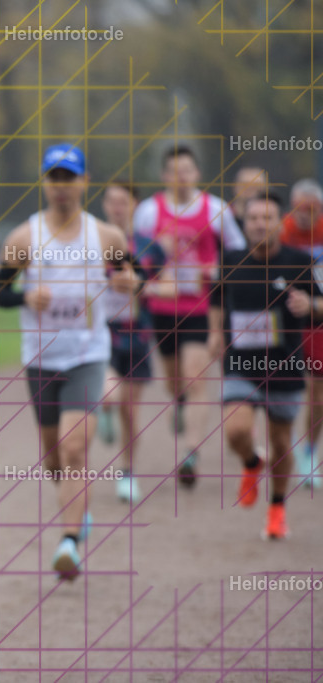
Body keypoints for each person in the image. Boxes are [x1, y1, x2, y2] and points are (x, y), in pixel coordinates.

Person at [0, 144, 134, 579]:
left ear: (84, 182)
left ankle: (69, 542)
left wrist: (131, 280)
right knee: (54, 458)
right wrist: (25, 295)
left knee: (75, 448)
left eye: (69, 177)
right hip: (41, 360)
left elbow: (133, 274)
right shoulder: (24, 238)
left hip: (88, 356)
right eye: (54, 177)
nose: (62, 186)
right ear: (45, 182)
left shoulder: (105, 237)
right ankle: (77, 509)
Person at [209, 192, 321, 540]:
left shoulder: (298, 262)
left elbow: (320, 302)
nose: (260, 223)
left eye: (267, 217)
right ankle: (251, 463)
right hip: (241, 363)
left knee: (281, 443)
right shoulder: (230, 259)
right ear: (245, 222)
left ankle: (276, 507)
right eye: (254, 218)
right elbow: (216, 297)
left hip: (285, 365)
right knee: (236, 430)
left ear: (279, 221)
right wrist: (215, 333)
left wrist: (311, 305)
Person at [133, 146, 246, 487]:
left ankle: (190, 453)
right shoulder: (150, 212)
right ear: (165, 175)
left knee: (196, 377)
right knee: (175, 382)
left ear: (197, 174)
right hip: (163, 307)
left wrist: (219, 269)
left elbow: (238, 252)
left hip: (202, 306)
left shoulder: (215, 209)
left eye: (187, 170)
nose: (181, 176)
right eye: (174, 170)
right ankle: (179, 402)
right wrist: (155, 259)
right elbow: (136, 259)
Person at [95, 181, 152, 503]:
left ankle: (128, 473)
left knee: (130, 412)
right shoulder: (91, 241)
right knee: (110, 396)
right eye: (111, 201)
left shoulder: (147, 245)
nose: (116, 207)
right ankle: (104, 410)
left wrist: (137, 283)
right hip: (101, 332)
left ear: (134, 205)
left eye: (123, 202)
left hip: (136, 332)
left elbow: (158, 284)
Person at [279, 178, 323, 488]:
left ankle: (309, 452)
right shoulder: (280, 231)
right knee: (281, 382)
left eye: (313, 208)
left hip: (317, 315)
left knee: (317, 387)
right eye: (300, 208)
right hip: (284, 319)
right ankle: (283, 436)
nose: (306, 214)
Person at [231, 166, 269, 233]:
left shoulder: (277, 219)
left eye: (256, 186)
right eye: (245, 186)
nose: (250, 191)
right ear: (235, 187)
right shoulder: (222, 215)